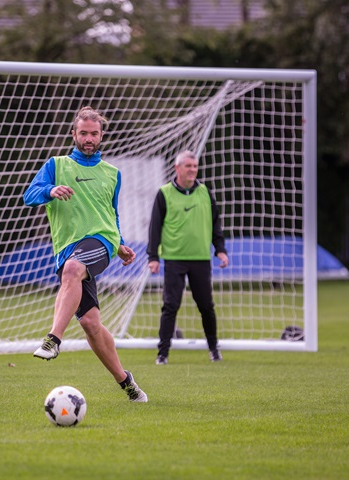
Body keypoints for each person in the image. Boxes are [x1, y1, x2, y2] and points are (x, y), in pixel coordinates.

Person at [23, 106, 148, 402]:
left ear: (101, 135)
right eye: (83, 133)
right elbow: (29, 195)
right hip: (68, 248)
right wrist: (50, 191)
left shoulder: (112, 173)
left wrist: (118, 244)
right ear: (74, 134)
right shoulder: (56, 165)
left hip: (101, 241)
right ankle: (126, 382)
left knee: (72, 269)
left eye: (94, 134)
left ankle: (53, 339)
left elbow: (111, 215)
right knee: (90, 323)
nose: (89, 139)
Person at [147, 150, 229, 365]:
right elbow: (155, 228)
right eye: (188, 166)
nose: (192, 170)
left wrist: (220, 249)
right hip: (174, 259)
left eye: (195, 166)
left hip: (201, 258)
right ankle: (162, 353)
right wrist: (153, 257)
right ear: (177, 168)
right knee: (170, 306)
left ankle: (214, 348)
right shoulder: (164, 193)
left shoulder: (205, 193)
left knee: (206, 306)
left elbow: (216, 224)